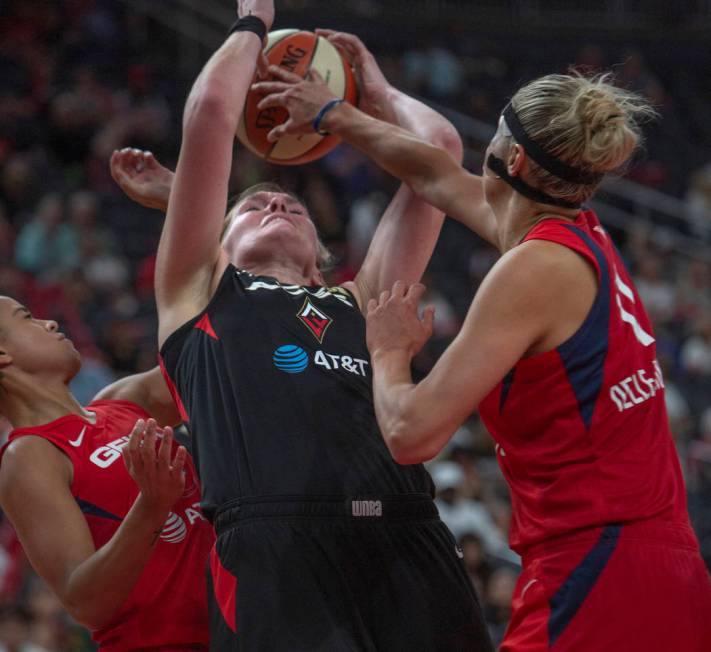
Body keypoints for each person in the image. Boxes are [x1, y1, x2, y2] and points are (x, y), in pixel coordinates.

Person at [254, 69, 711, 649]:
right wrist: (342, 109)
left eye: (493, 134)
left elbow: (409, 432)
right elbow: (435, 175)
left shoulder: (530, 270)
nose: (483, 148)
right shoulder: (580, 238)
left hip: (597, 572)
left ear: (513, 158)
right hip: (663, 569)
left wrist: (388, 351)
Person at [140, 1, 493, 650]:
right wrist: (251, 23)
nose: (276, 199)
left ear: (323, 256)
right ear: (217, 234)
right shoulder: (199, 290)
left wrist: (375, 93)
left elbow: (439, 151)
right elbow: (212, 115)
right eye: (251, 206)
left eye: (291, 203)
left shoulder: (362, 299)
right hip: (276, 545)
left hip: (405, 533)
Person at [0, 297, 214, 650]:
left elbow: (210, 359)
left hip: (237, 627)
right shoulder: (30, 454)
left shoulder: (124, 399)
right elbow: (86, 604)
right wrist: (151, 506)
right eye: (27, 318)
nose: (49, 323)